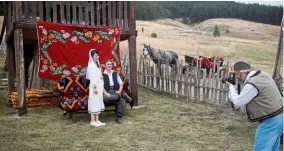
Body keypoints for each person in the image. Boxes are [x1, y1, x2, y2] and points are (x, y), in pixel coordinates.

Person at [225, 61, 283, 151]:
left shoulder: (252, 84)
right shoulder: (263, 75)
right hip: (280, 117)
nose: (236, 77)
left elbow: (237, 102)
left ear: (243, 73)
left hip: (271, 121)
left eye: (236, 74)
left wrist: (231, 87)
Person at [86, 49, 105, 127]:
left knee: (98, 102)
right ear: (92, 56)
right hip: (95, 87)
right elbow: (92, 78)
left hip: (99, 86)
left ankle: (97, 120)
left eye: (98, 55)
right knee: (94, 102)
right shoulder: (91, 66)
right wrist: (95, 88)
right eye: (95, 56)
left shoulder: (96, 64)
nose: (97, 57)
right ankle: (92, 121)